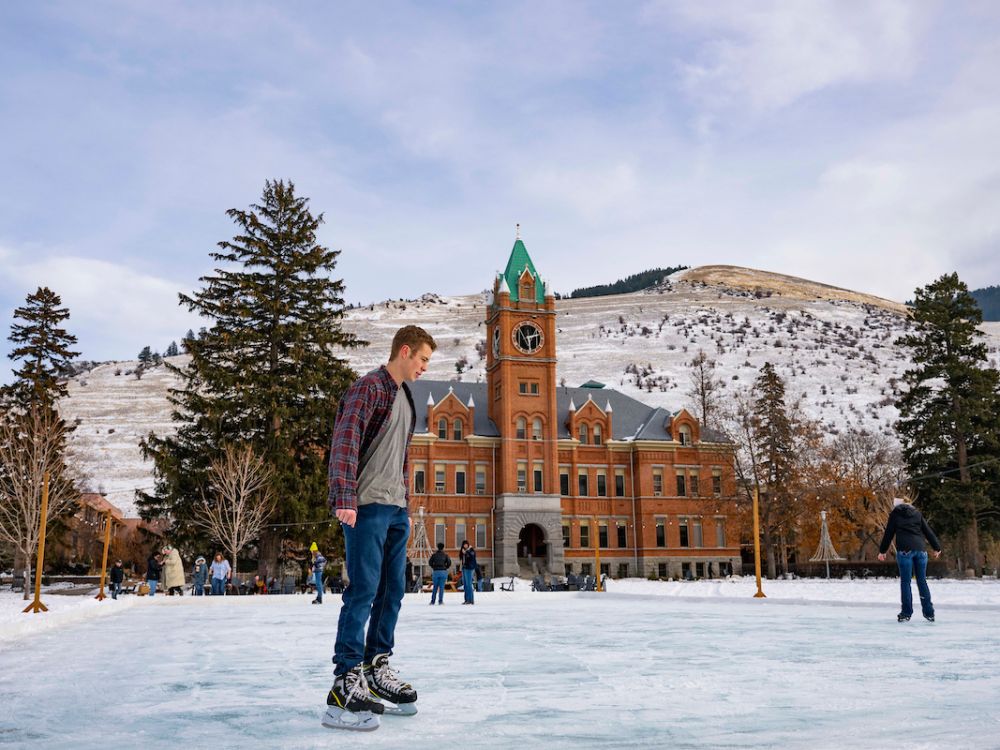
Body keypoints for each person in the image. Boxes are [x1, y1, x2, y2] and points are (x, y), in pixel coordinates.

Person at [323, 325, 436, 732]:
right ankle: (345, 680)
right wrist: (345, 498)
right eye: (422, 359)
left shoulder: (406, 396)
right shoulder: (368, 388)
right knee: (363, 590)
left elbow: (399, 455)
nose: (424, 367)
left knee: (393, 590)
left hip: (395, 509)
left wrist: (404, 503)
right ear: (405, 351)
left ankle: (375, 666)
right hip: (366, 506)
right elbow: (345, 442)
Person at [878, 496, 942, 622]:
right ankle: (929, 613)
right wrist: (936, 547)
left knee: (906, 582)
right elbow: (927, 531)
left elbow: (889, 533)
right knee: (922, 581)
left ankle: (906, 613)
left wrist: (882, 551)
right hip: (921, 551)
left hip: (905, 551)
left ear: (897, 505)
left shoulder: (895, 514)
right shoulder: (917, 514)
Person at [460, 541, 477, 605]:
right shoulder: (463, 551)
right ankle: (466, 599)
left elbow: (471, 557)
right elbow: (462, 560)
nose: (465, 546)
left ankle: (471, 600)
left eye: (466, 544)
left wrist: (466, 553)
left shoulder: (471, 550)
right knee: (465, 585)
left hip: (469, 569)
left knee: (469, 584)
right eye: (464, 544)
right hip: (464, 568)